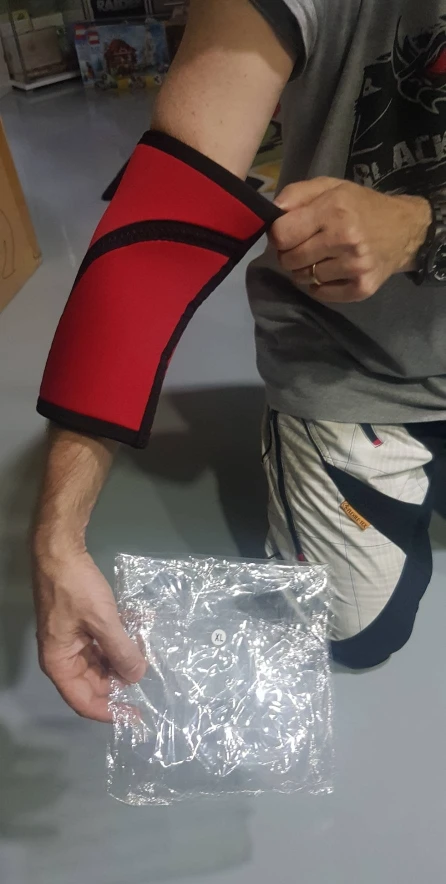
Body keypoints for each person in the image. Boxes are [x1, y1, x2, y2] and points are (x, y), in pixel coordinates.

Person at [32, 0, 446, 720]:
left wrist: (422, 225)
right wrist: (58, 543)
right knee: (353, 633)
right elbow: (160, 228)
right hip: (357, 359)